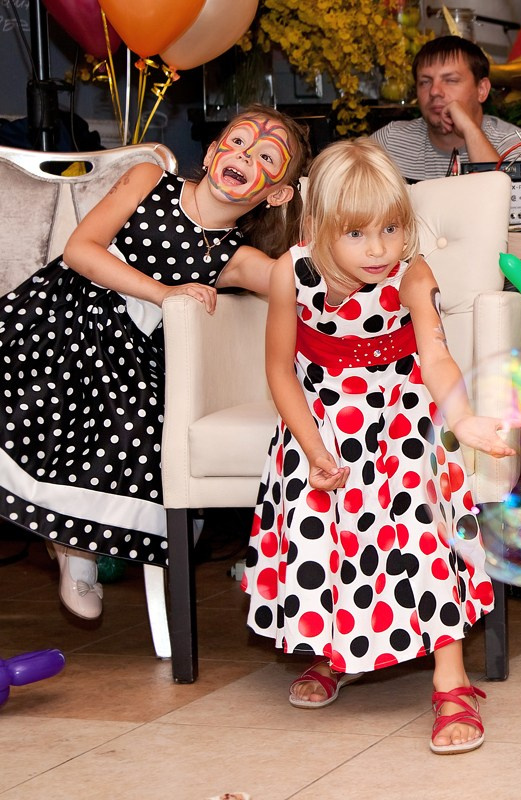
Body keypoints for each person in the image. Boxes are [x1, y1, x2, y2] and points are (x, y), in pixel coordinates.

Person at [242, 138, 514, 755]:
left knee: (420, 531)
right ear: (319, 226)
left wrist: (463, 418)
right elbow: (280, 368)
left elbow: (436, 357)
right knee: (322, 534)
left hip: (400, 422)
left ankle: (452, 681)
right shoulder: (291, 271)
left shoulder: (412, 273)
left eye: (391, 229)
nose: (378, 249)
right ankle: (335, 653)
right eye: (357, 234)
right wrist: (313, 449)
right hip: (319, 423)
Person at [0, 106, 308, 620]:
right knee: (48, 374)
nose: (244, 156)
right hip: (54, 318)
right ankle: (69, 539)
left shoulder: (235, 258)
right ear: (211, 152)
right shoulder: (149, 180)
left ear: (277, 194)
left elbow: (300, 284)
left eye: (266, 157)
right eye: (237, 142)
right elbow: (81, 250)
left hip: (126, 363)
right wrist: (164, 293)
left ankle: (76, 542)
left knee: (130, 424)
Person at [369, 35, 521, 357]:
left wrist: (469, 130)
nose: (435, 92)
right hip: (421, 288)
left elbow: (507, 208)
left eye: (450, 80)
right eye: (425, 82)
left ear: (482, 90)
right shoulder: (391, 142)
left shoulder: (514, 142)